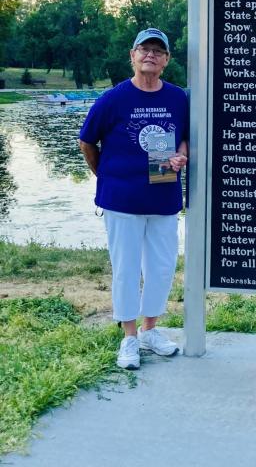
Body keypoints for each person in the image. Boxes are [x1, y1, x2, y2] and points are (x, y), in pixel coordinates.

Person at [79, 27, 189, 370]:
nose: (150, 55)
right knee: (126, 268)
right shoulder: (113, 98)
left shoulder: (178, 98)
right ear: (133, 55)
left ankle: (150, 330)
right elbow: (87, 142)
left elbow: (185, 138)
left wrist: (180, 156)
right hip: (121, 200)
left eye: (158, 51)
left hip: (163, 196)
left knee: (161, 267)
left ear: (167, 60)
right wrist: (106, 177)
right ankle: (128, 337)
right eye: (144, 49)